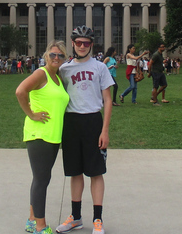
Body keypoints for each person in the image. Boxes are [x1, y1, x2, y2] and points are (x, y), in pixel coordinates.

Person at [56, 26, 114, 234]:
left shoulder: (100, 68)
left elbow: (107, 100)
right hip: (71, 123)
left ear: (91, 44)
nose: (82, 46)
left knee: (96, 172)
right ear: (72, 43)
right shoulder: (64, 69)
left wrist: (104, 130)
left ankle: (97, 219)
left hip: (93, 122)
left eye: (86, 43)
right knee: (75, 172)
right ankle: (76, 217)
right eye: (78, 42)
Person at [16, 41, 70, 234]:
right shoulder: (41, 73)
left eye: (61, 55)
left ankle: (32, 220)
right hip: (38, 135)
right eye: (53, 54)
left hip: (53, 136)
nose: (57, 58)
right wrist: (31, 114)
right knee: (41, 179)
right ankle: (40, 226)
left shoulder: (57, 78)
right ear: (46, 55)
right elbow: (20, 91)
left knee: (42, 178)